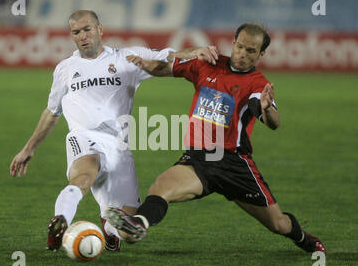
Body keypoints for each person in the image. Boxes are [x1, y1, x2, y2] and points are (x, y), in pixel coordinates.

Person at [103, 22, 326, 253]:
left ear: (261, 54)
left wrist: (267, 108)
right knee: (160, 188)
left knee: (278, 224)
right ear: (233, 42)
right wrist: (145, 64)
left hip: (234, 164)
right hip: (199, 159)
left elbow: (273, 123)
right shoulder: (207, 64)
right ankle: (137, 225)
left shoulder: (258, 84)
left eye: (251, 51)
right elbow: (163, 68)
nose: (242, 54)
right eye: (240, 47)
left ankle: (304, 239)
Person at [9, 9, 218, 252]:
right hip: (83, 136)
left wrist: (194, 52)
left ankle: (109, 230)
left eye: (87, 29)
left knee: (129, 225)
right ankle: (60, 221)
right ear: (72, 36)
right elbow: (52, 112)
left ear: (100, 29)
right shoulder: (65, 69)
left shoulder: (126, 58)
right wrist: (28, 148)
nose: (83, 36)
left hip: (118, 146)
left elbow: (167, 56)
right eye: (76, 32)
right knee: (85, 174)